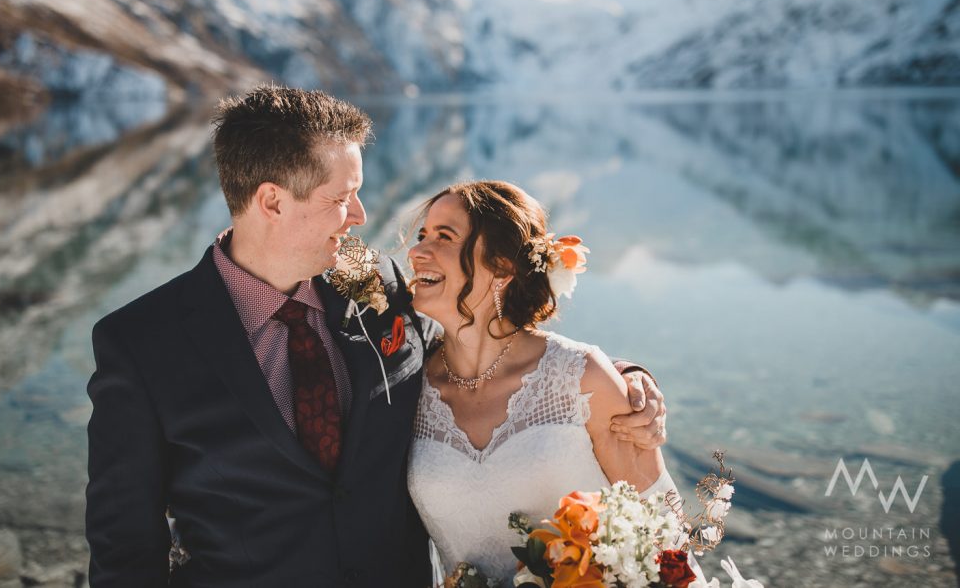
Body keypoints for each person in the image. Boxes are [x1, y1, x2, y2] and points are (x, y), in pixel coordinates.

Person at [85, 85, 666, 587]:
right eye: (341, 198)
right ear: (271, 202)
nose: (360, 215)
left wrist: (620, 382)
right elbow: (124, 546)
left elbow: (479, 348)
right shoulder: (141, 343)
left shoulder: (380, 283)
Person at [407, 181, 679, 583]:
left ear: (501, 265)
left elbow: (663, 532)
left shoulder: (581, 378)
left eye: (444, 237)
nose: (416, 252)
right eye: (421, 236)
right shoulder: (406, 384)